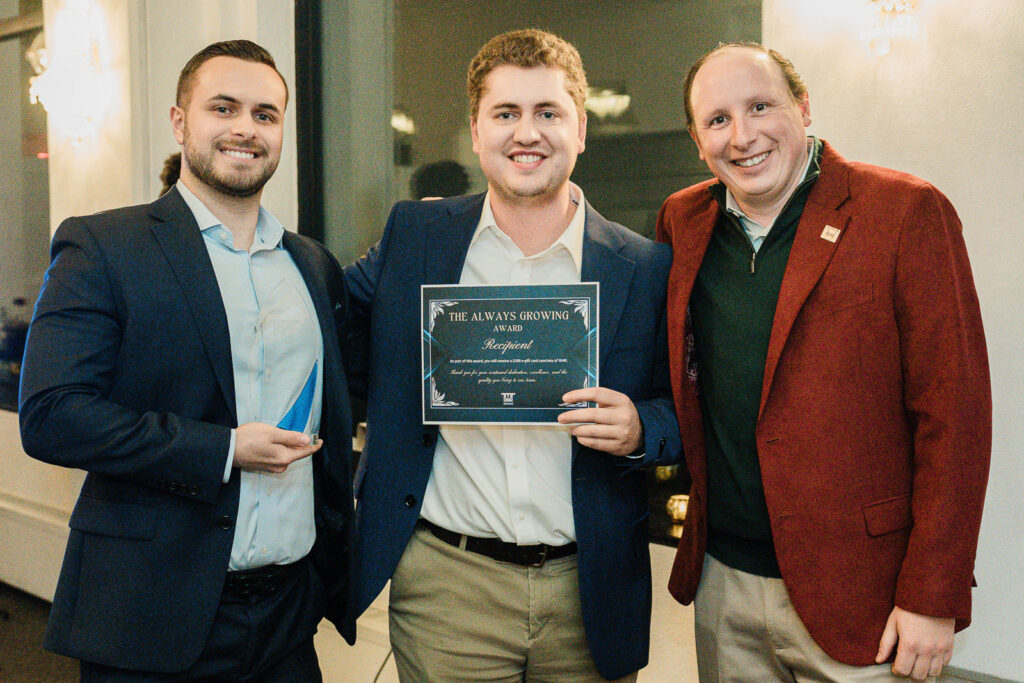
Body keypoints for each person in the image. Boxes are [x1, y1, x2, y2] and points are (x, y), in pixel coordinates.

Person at [344, 29, 680, 681]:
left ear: (580, 129)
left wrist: (643, 426)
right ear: (476, 131)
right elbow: (328, 312)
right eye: (506, 113)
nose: (528, 132)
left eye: (548, 113)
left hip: (589, 583)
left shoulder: (643, 267)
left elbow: (685, 409)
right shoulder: (415, 237)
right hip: (449, 586)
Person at [19, 40, 355, 680]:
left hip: (288, 615)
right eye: (222, 108)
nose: (244, 129)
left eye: (265, 114)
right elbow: (53, 415)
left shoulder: (312, 265)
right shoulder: (104, 244)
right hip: (152, 611)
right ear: (180, 122)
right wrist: (223, 449)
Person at [656, 42, 991, 681]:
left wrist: (933, 593)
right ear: (697, 139)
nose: (743, 136)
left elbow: (957, 418)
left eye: (761, 106)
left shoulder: (904, 211)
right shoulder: (683, 220)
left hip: (866, 594)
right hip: (722, 583)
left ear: (803, 107)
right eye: (718, 119)